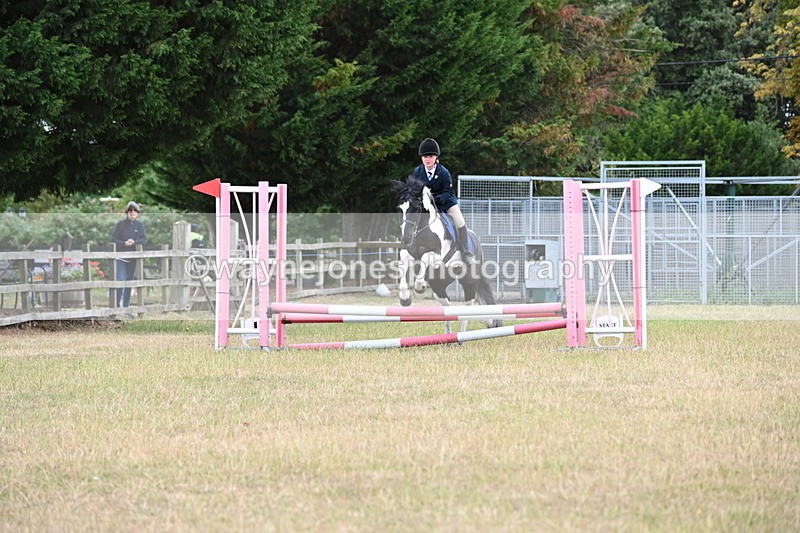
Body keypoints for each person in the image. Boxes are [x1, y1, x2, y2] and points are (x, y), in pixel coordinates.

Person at [410, 138, 475, 263]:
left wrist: (436, 198)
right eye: (425, 156)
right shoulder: (417, 172)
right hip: (425, 206)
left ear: (436, 157)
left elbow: (449, 193)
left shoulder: (444, 172)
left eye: (430, 156)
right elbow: (413, 191)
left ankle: (466, 251)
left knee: (459, 220)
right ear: (421, 158)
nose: (427, 159)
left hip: (445, 204)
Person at [111, 201, 147, 308]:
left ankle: (125, 307)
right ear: (127, 212)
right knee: (121, 278)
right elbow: (113, 239)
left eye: (135, 211)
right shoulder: (120, 224)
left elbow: (144, 239)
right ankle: (116, 306)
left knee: (129, 282)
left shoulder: (139, 225)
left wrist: (134, 242)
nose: (132, 213)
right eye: (130, 211)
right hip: (120, 257)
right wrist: (124, 243)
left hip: (133, 258)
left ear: (138, 213)